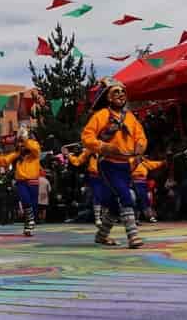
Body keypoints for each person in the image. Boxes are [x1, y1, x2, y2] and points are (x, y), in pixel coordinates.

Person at [82, 77, 147, 249]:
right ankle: (133, 237)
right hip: (108, 164)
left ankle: (101, 235)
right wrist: (104, 147)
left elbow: (140, 135)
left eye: (122, 91)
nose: (120, 94)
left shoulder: (131, 117)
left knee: (113, 205)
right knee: (126, 196)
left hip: (125, 165)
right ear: (108, 97)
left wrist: (140, 146)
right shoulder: (101, 115)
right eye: (115, 92)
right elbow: (86, 137)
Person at [0, 125, 41, 237]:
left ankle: (28, 227)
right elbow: (4, 160)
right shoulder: (17, 155)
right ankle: (29, 223)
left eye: (21, 142)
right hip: (21, 182)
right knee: (26, 202)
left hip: (33, 181)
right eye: (19, 143)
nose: (20, 144)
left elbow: (34, 148)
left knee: (33, 206)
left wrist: (25, 138)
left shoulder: (34, 153)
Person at [66, 146, 103, 227]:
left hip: (107, 175)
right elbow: (77, 161)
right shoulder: (89, 150)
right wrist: (69, 155)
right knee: (97, 196)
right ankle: (98, 218)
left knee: (107, 196)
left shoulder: (108, 147)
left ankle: (103, 218)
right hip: (95, 176)